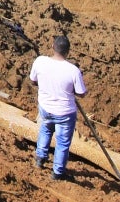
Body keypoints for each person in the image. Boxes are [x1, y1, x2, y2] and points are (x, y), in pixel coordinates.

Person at [30, 34, 88, 180]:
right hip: (65, 113)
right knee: (62, 142)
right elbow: (81, 93)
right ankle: (58, 172)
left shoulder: (40, 61)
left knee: (46, 128)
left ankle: (40, 158)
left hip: (45, 107)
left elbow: (33, 80)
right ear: (68, 51)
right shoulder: (73, 70)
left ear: (52, 47)